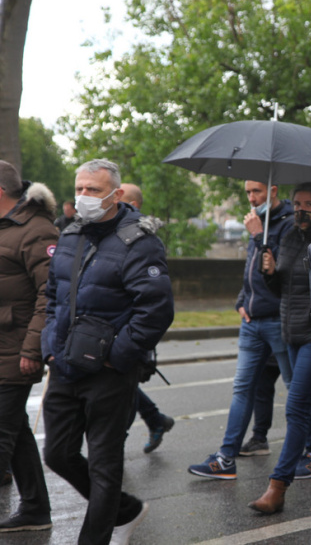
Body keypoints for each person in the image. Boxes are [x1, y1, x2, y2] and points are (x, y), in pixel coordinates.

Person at [41, 159, 174, 544]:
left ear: (115, 194)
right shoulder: (70, 234)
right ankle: (126, 509)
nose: (83, 197)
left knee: (104, 464)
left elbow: (156, 309)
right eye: (80, 189)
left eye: (93, 190)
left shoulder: (140, 241)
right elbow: (52, 296)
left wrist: (117, 356)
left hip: (110, 373)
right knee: (58, 454)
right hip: (64, 365)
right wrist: (50, 344)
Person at [248, 182, 311, 513]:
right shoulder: (289, 236)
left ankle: (277, 486)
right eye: (297, 203)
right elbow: (282, 290)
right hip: (290, 334)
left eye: (308, 204)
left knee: (296, 408)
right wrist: (271, 272)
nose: (301, 210)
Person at [188, 180, 293, 479]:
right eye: (248, 192)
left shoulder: (285, 224)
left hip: (277, 319)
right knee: (242, 388)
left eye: (257, 191)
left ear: (273, 190)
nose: (251, 198)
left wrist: (260, 234)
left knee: (296, 389)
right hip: (252, 321)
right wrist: (241, 301)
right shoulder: (255, 222)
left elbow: (280, 271)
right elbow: (250, 269)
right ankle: (226, 457)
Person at [0, 162, 56, 533]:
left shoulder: (35, 230)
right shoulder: (7, 228)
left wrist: (32, 349)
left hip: (15, 350)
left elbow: (50, 294)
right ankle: (35, 507)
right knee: (16, 432)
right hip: (4, 345)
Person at [119, 183, 175, 454]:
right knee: (121, 387)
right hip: (113, 330)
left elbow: (155, 300)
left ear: (134, 205)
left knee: (124, 389)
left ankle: (112, 446)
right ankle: (155, 419)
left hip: (130, 331)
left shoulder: (144, 240)